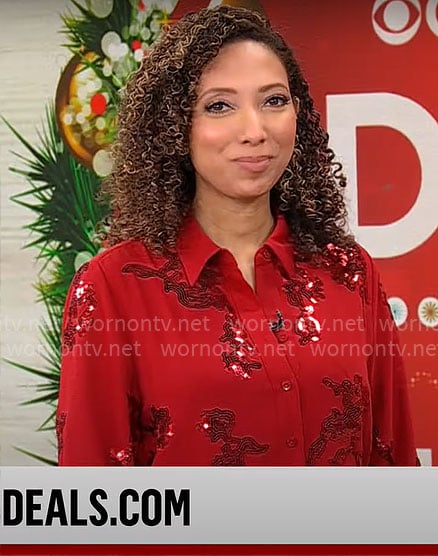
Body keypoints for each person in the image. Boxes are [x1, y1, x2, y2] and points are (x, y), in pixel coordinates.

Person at [56, 5, 418, 466]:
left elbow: (395, 461)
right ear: (175, 128)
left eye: (274, 101)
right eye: (219, 106)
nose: (255, 131)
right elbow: (93, 497)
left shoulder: (348, 272)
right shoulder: (113, 287)